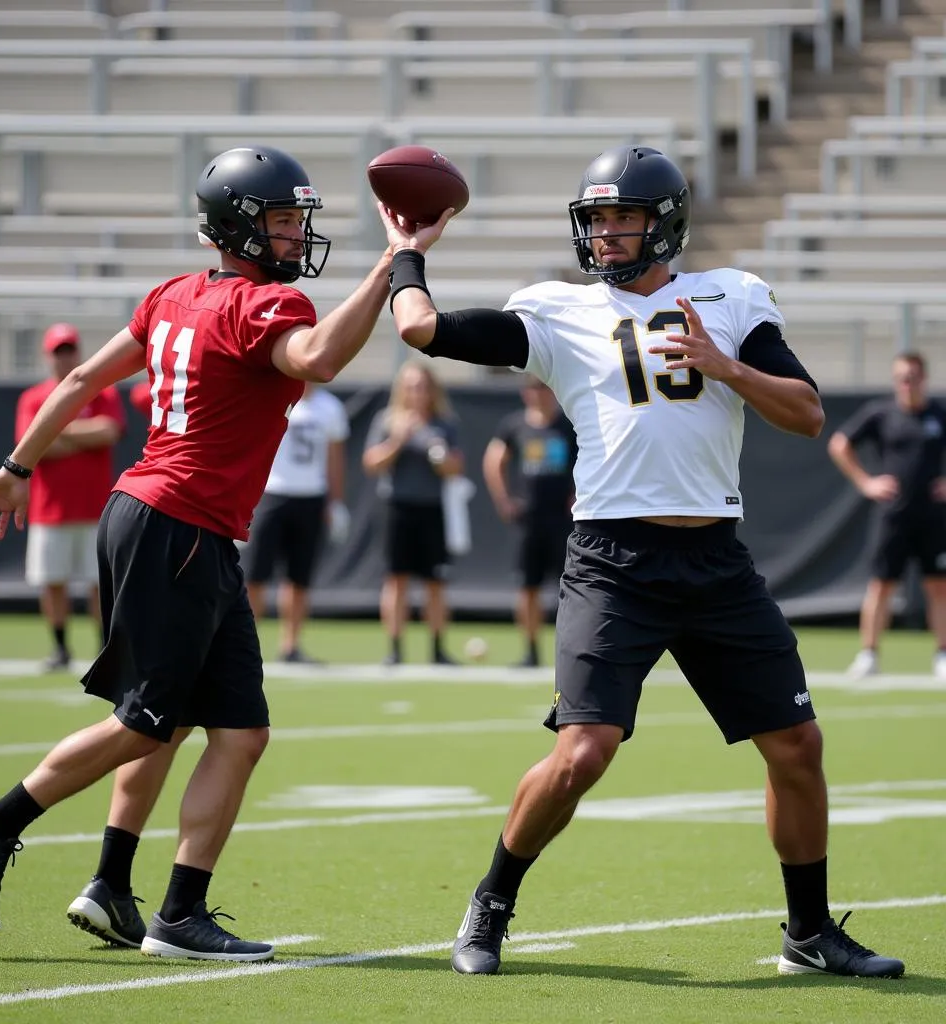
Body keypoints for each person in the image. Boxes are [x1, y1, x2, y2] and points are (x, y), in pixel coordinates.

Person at [376, 144, 904, 978]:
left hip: (714, 558)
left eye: (624, 219)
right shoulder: (559, 311)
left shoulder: (729, 299)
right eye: (597, 220)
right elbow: (419, 328)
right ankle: (492, 900)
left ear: (665, 224)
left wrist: (724, 367)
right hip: (614, 560)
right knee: (584, 751)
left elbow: (804, 413)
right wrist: (408, 252)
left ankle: (808, 932)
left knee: (797, 746)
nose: (608, 235)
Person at [0, 144, 394, 961]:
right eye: (286, 222)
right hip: (176, 524)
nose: (298, 237)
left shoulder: (171, 296)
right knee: (148, 721)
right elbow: (320, 359)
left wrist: (18, 467)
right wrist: (394, 268)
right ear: (242, 229)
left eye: (299, 222)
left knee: (235, 730)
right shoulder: (268, 309)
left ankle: (162, 905)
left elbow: (82, 378)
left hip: (175, 524)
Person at [828, 351, 946, 680]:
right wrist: (866, 482)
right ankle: (868, 654)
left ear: (924, 378)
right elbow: (839, 444)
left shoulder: (938, 414)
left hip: (933, 516)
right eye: (901, 378)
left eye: (913, 377)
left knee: (938, 587)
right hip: (893, 515)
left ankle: (942, 655)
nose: (907, 384)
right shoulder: (881, 414)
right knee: (881, 586)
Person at [16, 323, 126, 671]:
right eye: (59, 351)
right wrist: (76, 435)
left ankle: (103, 647)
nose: (65, 358)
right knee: (52, 582)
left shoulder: (102, 393)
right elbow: (34, 447)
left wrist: (54, 426)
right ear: (48, 356)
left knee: (100, 584)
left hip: (95, 507)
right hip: (50, 509)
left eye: (70, 350)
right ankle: (60, 647)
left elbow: (108, 432)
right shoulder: (33, 397)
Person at [362, 361, 464, 666]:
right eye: (411, 386)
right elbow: (371, 463)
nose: (417, 392)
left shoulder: (444, 423)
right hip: (397, 506)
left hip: (431, 507)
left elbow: (456, 469)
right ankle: (395, 649)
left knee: (435, 582)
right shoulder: (387, 420)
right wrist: (398, 441)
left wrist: (439, 453)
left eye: (422, 386)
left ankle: (437, 649)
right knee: (396, 580)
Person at [242, 382, 350, 663]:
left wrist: (335, 502)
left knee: (299, 577)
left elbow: (335, 458)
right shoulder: (272, 394)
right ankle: (244, 644)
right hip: (271, 493)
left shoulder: (330, 407)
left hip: (311, 496)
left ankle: (291, 646)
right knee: (256, 576)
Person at [483, 374, 577, 668]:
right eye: (532, 387)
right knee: (527, 586)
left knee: (572, 588)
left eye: (543, 387)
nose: (538, 393)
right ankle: (530, 651)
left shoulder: (568, 425)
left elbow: (592, 458)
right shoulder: (514, 425)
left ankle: (572, 651)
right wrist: (504, 500)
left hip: (563, 520)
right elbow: (494, 460)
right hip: (529, 519)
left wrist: (577, 495)